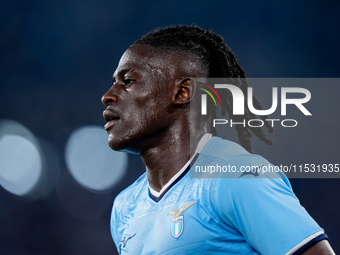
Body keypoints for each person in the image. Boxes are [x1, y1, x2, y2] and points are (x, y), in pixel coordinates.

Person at [101, 25, 334, 254]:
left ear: (182, 92)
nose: (108, 96)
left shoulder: (237, 176)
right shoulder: (125, 207)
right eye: (114, 82)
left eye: (128, 81)